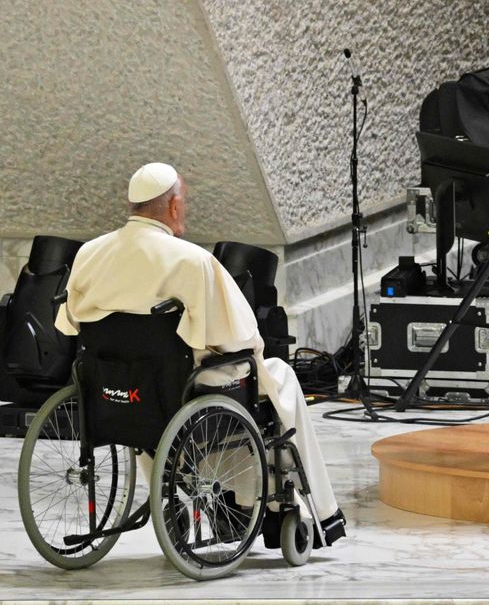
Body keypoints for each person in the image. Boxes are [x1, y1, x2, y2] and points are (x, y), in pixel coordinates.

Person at [55, 162, 346, 546]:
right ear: (174, 206)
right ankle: (305, 512)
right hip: (177, 390)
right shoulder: (191, 261)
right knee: (274, 378)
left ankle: (228, 503)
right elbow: (239, 338)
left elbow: (68, 322)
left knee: (157, 395)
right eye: (184, 203)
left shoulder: (90, 254)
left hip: (116, 392)